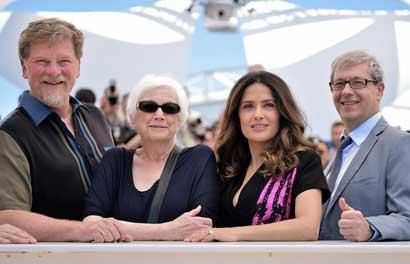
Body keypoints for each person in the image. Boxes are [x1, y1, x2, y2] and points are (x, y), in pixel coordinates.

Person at [0, 18, 129, 242]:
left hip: (113, 255)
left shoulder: (95, 117)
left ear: (78, 67)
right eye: (42, 61)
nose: (53, 71)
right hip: (54, 261)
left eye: (64, 61)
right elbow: (8, 218)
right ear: (24, 68)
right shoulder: (11, 132)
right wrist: (82, 231)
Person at [185, 71, 330, 242]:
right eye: (248, 106)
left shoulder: (304, 160)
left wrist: (232, 233)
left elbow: (308, 228)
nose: (258, 114)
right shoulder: (229, 166)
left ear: (282, 112)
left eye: (268, 105)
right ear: (236, 115)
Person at [83, 75, 220, 241]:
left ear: (180, 118)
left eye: (170, 108)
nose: (159, 114)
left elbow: (200, 227)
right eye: (149, 107)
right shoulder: (114, 160)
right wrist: (167, 231)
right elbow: (91, 224)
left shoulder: (199, 159)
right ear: (132, 116)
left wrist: (117, 227)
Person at [319, 50, 410, 241]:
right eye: (339, 84)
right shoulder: (340, 151)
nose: (346, 91)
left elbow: (407, 217)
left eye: (358, 82)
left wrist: (369, 227)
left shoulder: (399, 144)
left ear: (380, 90)